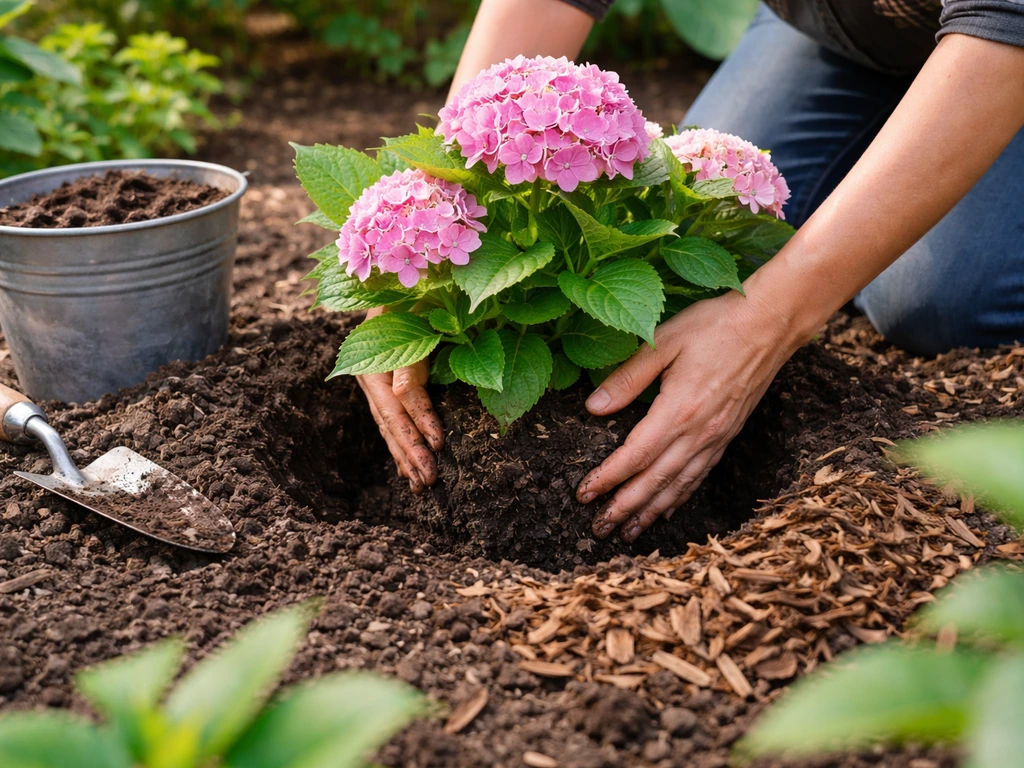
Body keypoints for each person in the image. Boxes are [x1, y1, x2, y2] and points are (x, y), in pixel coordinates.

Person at [356, 0, 1024, 543]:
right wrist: (429, 216)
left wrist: (768, 320)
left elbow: (1004, 17)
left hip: (1005, 40)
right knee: (701, 189)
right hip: (842, 31)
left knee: (932, 297)